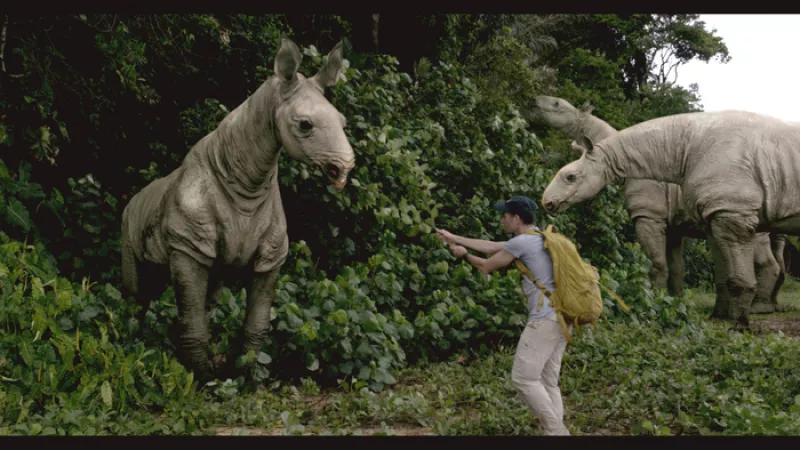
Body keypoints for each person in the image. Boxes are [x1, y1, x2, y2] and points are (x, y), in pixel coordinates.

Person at [436, 195, 570, 436]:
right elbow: (490, 245)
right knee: (548, 381)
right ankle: (555, 433)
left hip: (544, 319)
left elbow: (486, 265)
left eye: (505, 216)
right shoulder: (539, 237)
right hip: (562, 317)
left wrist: (463, 255)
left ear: (516, 219)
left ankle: (558, 431)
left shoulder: (522, 243)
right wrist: (453, 237)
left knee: (523, 379)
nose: (502, 219)